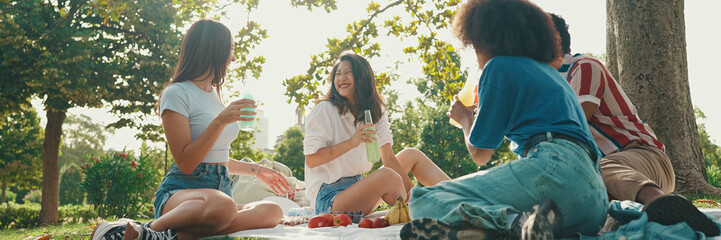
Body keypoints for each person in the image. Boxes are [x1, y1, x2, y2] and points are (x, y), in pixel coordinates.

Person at [399, 0, 609, 239]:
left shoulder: (498, 66)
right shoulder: (553, 75)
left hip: (553, 172)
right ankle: (521, 227)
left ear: (482, 37)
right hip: (594, 201)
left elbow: (480, 153)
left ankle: (514, 222)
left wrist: (465, 117)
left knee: (425, 200)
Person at [91, 19, 290, 240]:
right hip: (181, 195)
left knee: (272, 211)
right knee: (223, 205)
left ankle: (163, 236)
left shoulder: (214, 95)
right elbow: (186, 163)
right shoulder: (176, 93)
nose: (233, 58)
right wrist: (220, 121)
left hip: (219, 194)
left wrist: (256, 170)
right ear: (213, 50)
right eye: (230, 49)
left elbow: (215, 160)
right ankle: (153, 228)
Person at [551, 13, 719, 236]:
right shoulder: (543, 86)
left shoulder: (583, 66)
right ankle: (643, 221)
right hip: (607, 178)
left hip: (644, 158)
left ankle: (663, 203)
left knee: (591, 169)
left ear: (553, 39)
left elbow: (575, 125)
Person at [303, 52, 451, 215]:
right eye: (338, 74)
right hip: (329, 199)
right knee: (387, 176)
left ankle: (462, 200)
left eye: (348, 73)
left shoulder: (374, 112)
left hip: (359, 189)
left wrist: (411, 191)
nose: (341, 78)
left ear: (362, 77)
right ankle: (423, 208)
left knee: (411, 155)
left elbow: (388, 158)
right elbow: (312, 159)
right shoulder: (325, 110)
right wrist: (352, 143)